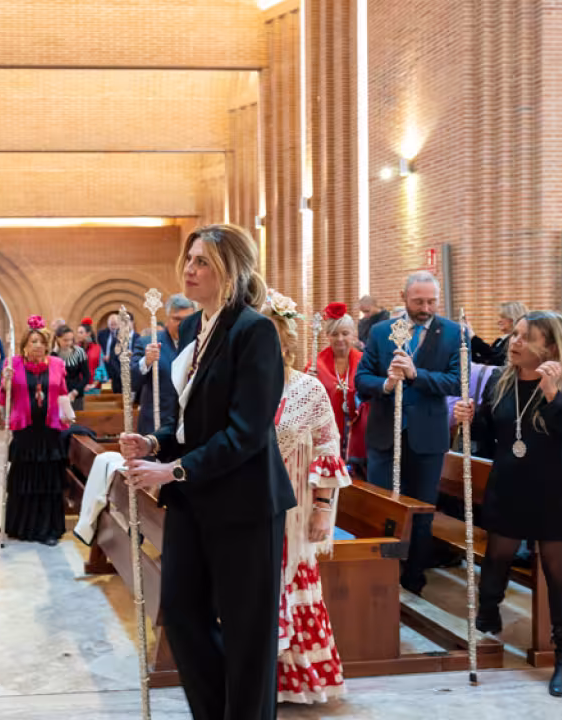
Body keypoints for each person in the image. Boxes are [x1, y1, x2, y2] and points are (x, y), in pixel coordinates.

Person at [121, 223, 293, 720]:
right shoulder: (197, 327)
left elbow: (245, 431)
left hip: (245, 502)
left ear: (230, 271)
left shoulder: (253, 331)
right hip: (196, 497)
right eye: (189, 260)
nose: (190, 270)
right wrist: (156, 442)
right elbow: (195, 420)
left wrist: (172, 472)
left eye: (202, 262)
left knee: (246, 634)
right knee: (179, 612)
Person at [454, 311, 562, 697]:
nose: (512, 343)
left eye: (523, 337)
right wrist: (470, 418)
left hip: (556, 490)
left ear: (548, 346)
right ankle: (487, 616)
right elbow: (493, 429)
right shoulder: (505, 380)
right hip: (510, 484)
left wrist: (553, 394)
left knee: (558, 573)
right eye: (514, 335)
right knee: (497, 555)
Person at [263, 289, 348, 704]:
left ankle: (296, 682)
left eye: (275, 340)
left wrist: (321, 511)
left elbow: (329, 449)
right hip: (251, 510)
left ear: (286, 343)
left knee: (293, 585)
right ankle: (259, 682)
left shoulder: (309, 390)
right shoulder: (241, 388)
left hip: (295, 512)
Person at [355, 271, 461, 595]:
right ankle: (380, 580)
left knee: (422, 511)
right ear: (404, 297)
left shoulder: (453, 332)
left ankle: (414, 579)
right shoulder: (382, 331)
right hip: (385, 434)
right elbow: (362, 378)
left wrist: (417, 375)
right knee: (382, 509)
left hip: (426, 436)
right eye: (418, 301)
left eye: (431, 301)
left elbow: (456, 381)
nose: (425, 307)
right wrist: (385, 385)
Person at [0, 317, 71, 546]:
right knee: (24, 480)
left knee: (48, 481)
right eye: (32, 341)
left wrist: (67, 413)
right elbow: (3, 398)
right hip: (25, 431)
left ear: (47, 345)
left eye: (40, 341)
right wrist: (5, 383)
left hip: (50, 431)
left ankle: (48, 528)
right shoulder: (13, 364)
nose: (37, 345)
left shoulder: (57, 364)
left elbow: (62, 392)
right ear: (24, 346)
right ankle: (22, 526)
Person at [306, 302, 369, 474]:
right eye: (334, 334)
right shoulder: (315, 364)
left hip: (358, 435)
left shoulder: (365, 362)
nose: (340, 339)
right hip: (327, 433)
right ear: (327, 336)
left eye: (345, 333)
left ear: (353, 335)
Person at [133, 293, 195, 435]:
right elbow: (131, 381)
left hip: (188, 426)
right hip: (156, 424)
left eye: (187, 319)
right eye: (177, 319)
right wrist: (146, 362)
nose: (182, 324)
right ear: (167, 319)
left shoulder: (200, 343)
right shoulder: (148, 343)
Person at [467, 301, 528, 367]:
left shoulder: (516, 341)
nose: (498, 321)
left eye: (502, 317)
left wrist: (473, 337)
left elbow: (496, 360)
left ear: (513, 318)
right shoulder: (499, 341)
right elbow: (487, 361)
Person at [52, 325, 89, 411]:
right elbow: (52, 376)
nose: (68, 343)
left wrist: (75, 392)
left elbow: (86, 376)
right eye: (65, 340)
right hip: (58, 396)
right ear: (57, 339)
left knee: (77, 422)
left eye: (71, 340)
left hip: (76, 395)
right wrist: (54, 352)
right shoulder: (52, 354)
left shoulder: (79, 352)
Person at [76, 320, 103, 386]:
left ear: (88, 333)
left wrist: (94, 384)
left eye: (81, 332)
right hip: (78, 387)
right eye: (78, 332)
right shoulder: (75, 349)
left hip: (94, 386)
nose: (78, 335)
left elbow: (100, 368)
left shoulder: (98, 349)